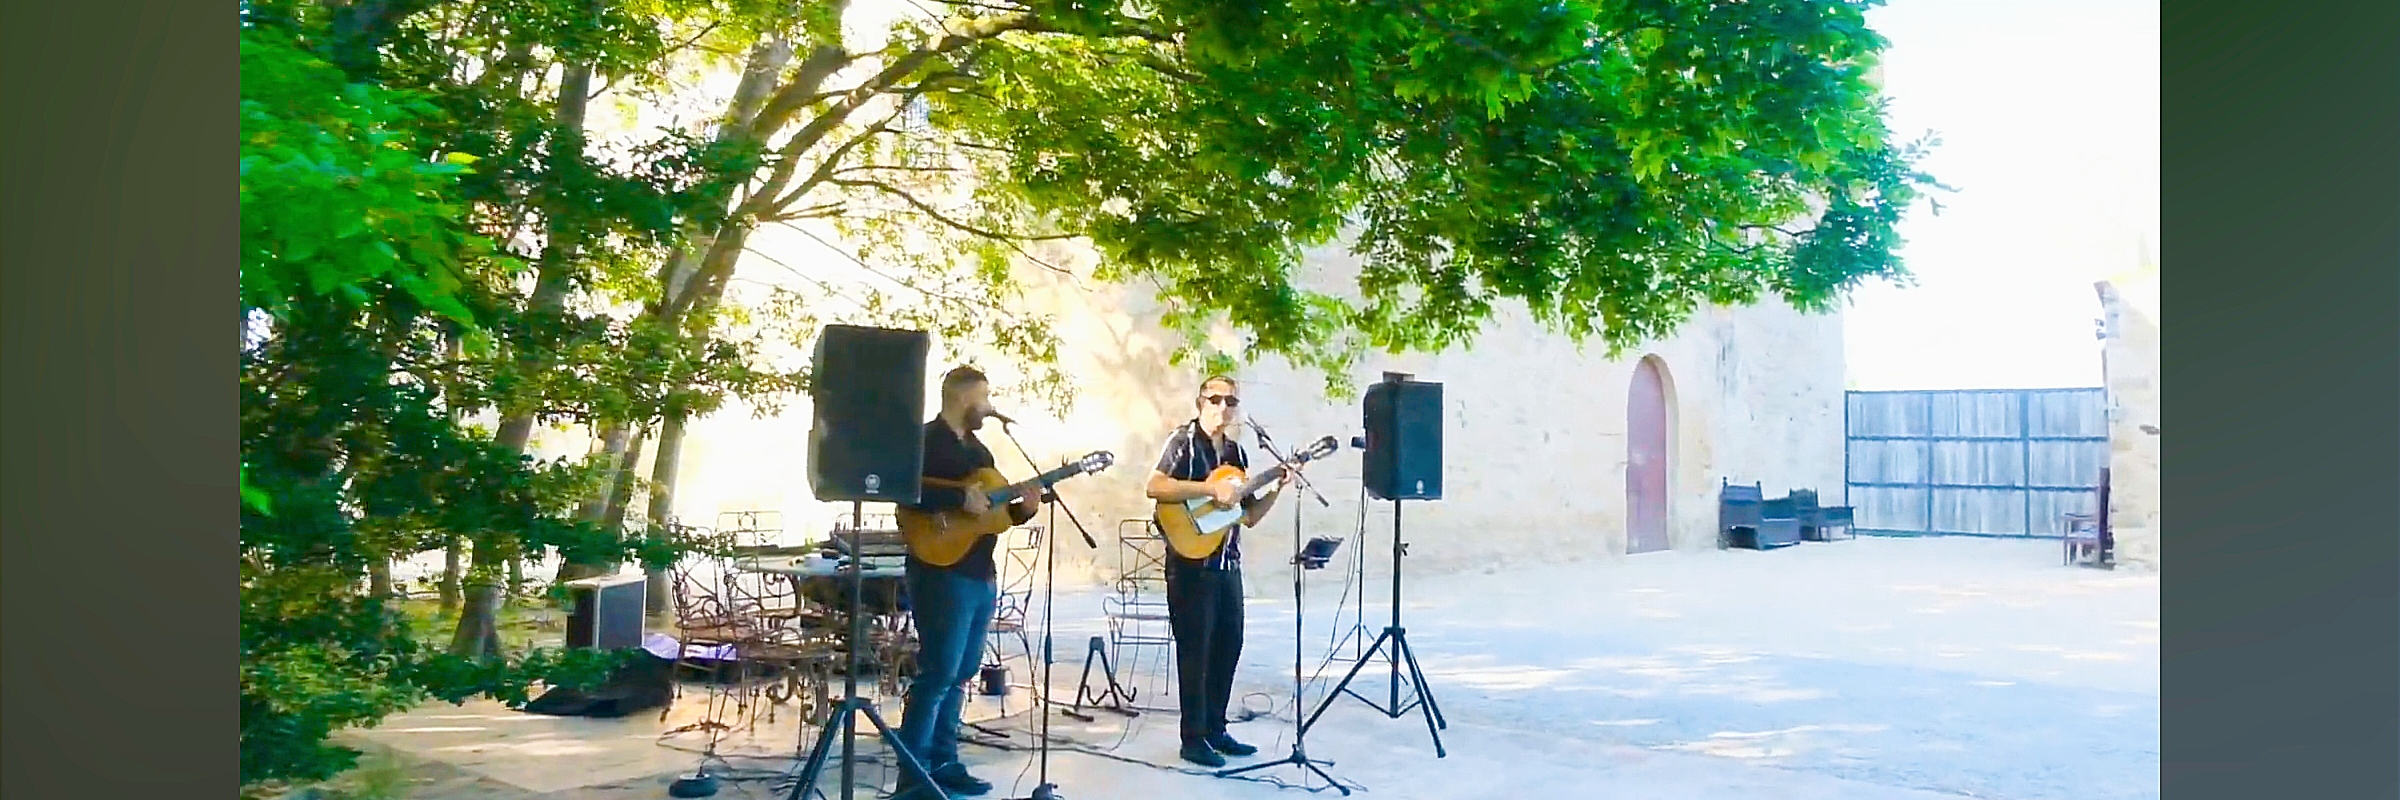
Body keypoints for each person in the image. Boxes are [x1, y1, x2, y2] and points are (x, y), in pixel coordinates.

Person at [895, 366, 1041, 799]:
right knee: (938, 672)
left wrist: (1021, 512)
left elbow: (989, 518)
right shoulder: (923, 441)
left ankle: (945, 762)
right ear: (962, 398)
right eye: (985, 397)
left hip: (979, 571)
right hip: (939, 570)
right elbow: (901, 490)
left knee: (962, 673)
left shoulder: (981, 452)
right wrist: (958, 497)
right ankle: (913, 775)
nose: (990, 406)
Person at [1143, 374, 1297, 767]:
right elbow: (1155, 486)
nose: (1224, 407)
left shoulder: (1237, 455)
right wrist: (1209, 491)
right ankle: (1192, 739)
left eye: (1231, 401)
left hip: (1227, 561)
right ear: (1200, 403)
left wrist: (1278, 487)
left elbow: (1248, 516)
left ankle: (1215, 729)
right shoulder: (1183, 442)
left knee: (1229, 645)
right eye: (1216, 399)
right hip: (1190, 562)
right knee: (1195, 651)